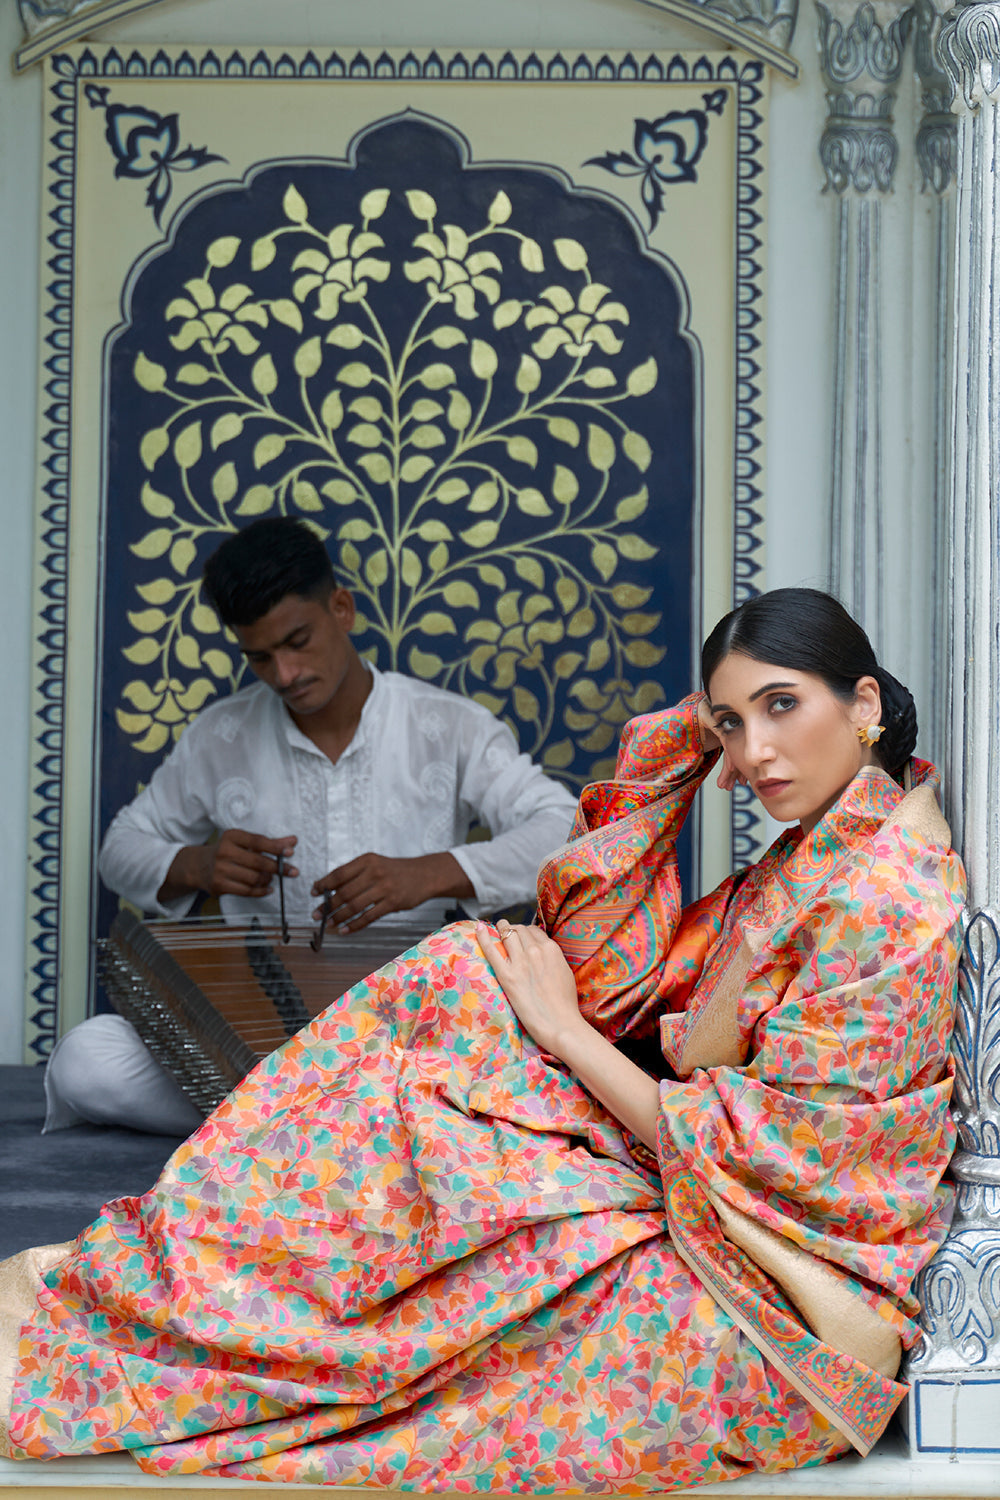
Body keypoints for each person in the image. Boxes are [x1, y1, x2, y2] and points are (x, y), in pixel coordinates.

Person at [1, 588, 965, 1493]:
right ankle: (179, 1277)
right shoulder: (822, 850)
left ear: (863, 703)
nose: (754, 753)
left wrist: (559, 1032)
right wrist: (692, 733)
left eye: (782, 706)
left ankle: (162, 1311)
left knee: (444, 1177)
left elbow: (777, 1160)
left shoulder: (887, 898)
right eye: (730, 723)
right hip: (705, 1202)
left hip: (775, 1307)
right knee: (452, 993)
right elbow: (611, 973)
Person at [43, 516, 577, 1134]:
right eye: (260, 657)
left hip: (406, 1025)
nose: (285, 674)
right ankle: (355, 1125)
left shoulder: (448, 725)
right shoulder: (221, 735)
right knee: (88, 1059)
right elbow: (119, 849)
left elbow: (565, 826)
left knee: (534, 1058)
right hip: (257, 1036)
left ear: (341, 609)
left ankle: (284, 1123)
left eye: (298, 642)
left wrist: (433, 873)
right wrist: (200, 865)